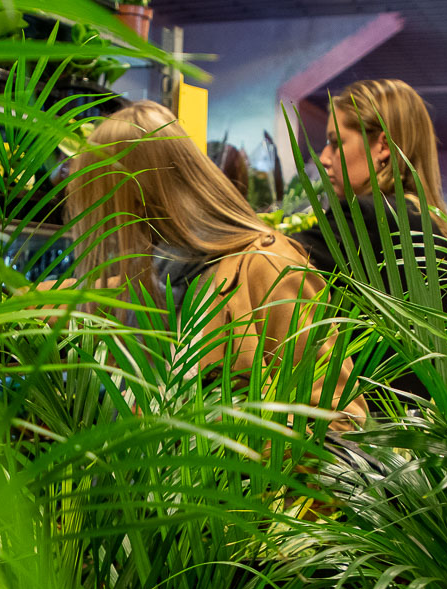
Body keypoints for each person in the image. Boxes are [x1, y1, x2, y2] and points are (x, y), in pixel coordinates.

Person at [65, 100, 365, 428]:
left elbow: (340, 423)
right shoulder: (161, 275)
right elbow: (91, 293)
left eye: (105, 204)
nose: (104, 228)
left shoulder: (267, 266)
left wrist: (216, 440)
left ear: (138, 196)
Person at [290, 79, 447, 399]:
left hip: (378, 431)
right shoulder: (442, 228)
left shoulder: (369, 216)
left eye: (336, 142)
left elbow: (269, 255)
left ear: (383, 147)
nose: (324, 157)